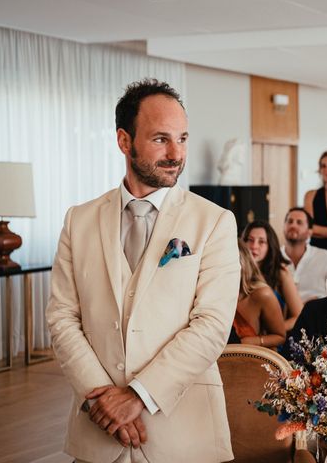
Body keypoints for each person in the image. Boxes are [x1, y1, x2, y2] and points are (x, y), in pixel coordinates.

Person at [45, 79, 240, 462]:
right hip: (97, 432)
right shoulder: (79, 220)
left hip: (183, 436)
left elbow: (212, 325)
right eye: (160, 139)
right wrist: (103, 400)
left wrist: (137, 396)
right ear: (124, 141)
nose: (176, 153)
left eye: (182, 139)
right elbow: (62, 317)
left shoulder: (215, 221)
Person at [242, 220, 302, 331]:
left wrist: (276, 331)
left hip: (272, 343)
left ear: (270, 245)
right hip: (241, 340)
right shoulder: (235, 271)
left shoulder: (281, 273)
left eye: (261, 242)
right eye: (250, 240)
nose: (254, 246)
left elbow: (298, 315)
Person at [229, 240, 285, 349]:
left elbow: (280, 336)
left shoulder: (262, 294)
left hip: (254, 359)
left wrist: (254, 341)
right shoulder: (213, 294)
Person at [281, 207, 327, 302]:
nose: (293, 225)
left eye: (299, 222)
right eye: (289, 221)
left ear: (309, 232)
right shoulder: (273, 256)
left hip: (317, 313)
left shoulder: (326, 257)